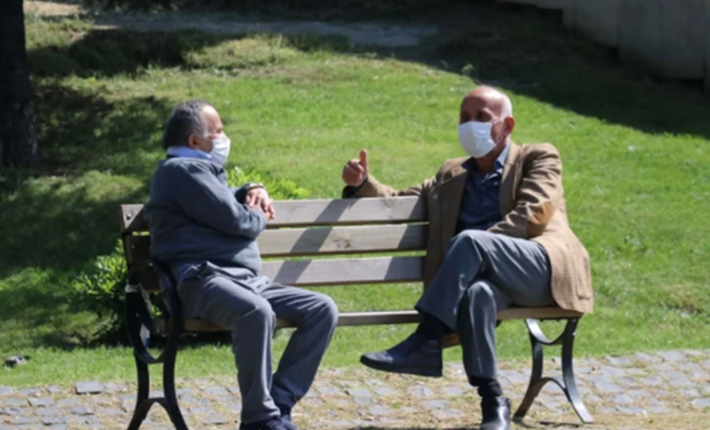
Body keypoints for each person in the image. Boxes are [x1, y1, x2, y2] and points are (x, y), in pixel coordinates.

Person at [341, 87, 592, 430]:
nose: (470, 124)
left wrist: (478, 246)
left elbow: (533, 214)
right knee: (477, 295)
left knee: (471, 241)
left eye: (481, 117)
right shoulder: (451, 174)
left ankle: (427, 338)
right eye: (464, 117)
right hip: (491, 282)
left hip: (540, 270)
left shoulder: (537, 157)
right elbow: (399, 200)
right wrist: (362, 183)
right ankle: (493, 401)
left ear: (507, 125)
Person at [146, 100, 338, 430]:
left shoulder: (196, 172)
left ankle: (278, 402)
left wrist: (251, 188)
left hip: (243, 281)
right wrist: (258, 213)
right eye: (218, 132)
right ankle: (259, 419)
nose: (224, 139)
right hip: (200, 281)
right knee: (255, 312)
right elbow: (237, 220)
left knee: (322, 309)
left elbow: (221, 198)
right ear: (194, 140)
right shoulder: (181, 171)